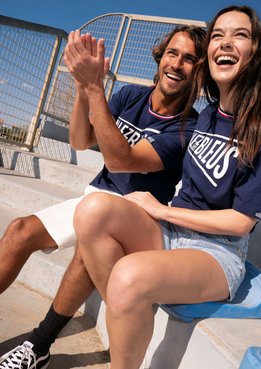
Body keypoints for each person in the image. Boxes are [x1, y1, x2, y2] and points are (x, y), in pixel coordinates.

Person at [72, 6, 261, 369]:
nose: (226, 42)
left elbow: (241, 223)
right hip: (171, 232)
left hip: (217, 253)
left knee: (127, 277)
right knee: (92, 210)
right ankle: (129, 315)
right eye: (218, 35)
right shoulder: (205, 115)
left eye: (240, 35)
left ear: (258, 51)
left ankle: (124, 346)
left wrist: (161, 209)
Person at [0, 25, 207, 369]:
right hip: (97, 197)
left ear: (199, 73)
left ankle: (38, 346)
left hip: (134, 216)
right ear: (159, 57)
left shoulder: (188, 126)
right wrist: (84, 90)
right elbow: (81, 141)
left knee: (87, 246)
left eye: (190, 60)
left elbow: (120, 159)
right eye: (173, 53)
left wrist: (96, 89)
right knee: (20, 230)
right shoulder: (129, 96)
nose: (177, 64)